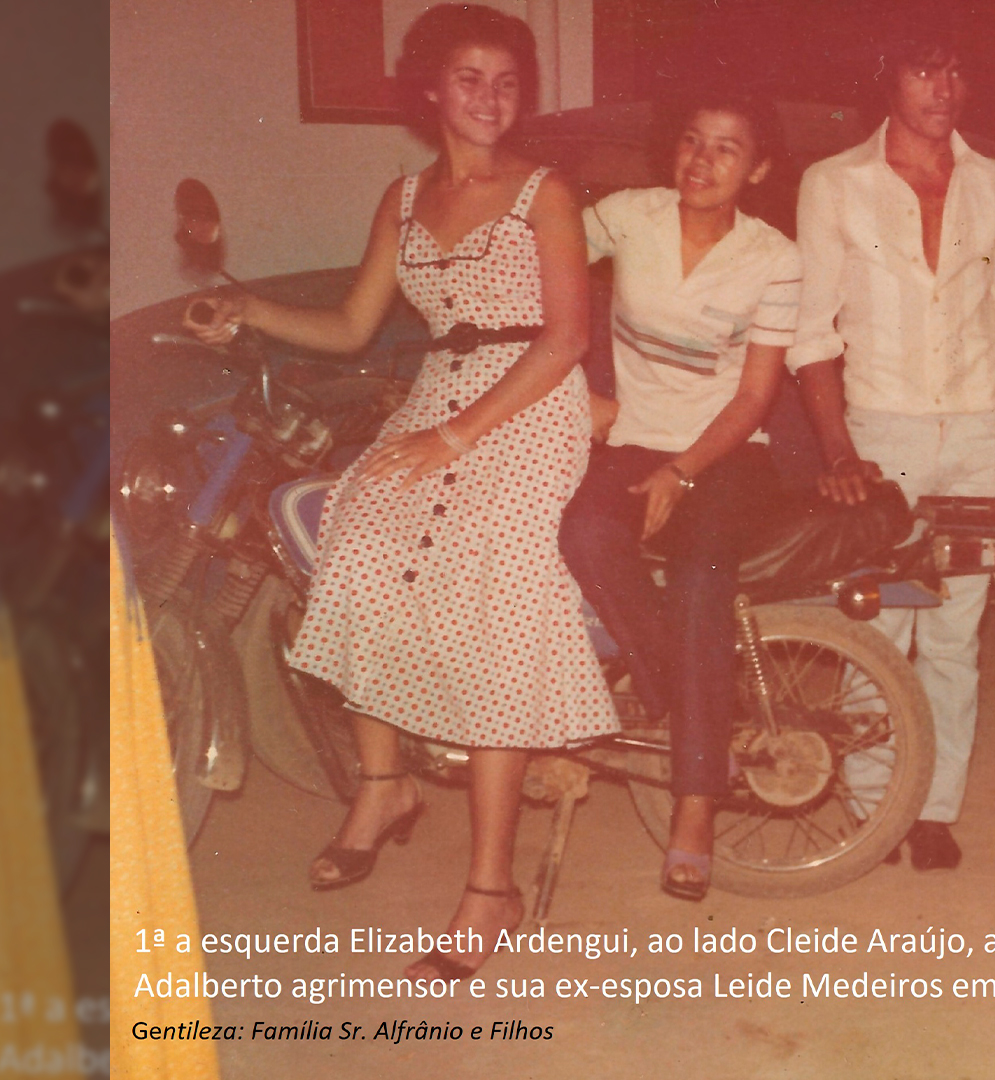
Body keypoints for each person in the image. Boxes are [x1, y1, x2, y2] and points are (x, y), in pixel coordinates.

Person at [183, 4, 613, 981]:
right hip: (433, 397)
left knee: (498, 594)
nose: (490, 98)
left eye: (506, 82)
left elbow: (566, 341)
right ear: (430, 90)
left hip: (529, 405)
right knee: (356, 539)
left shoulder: (545, 193)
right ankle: (383, 785)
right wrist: (245, 306)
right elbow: (351, 326)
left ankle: (492, 887)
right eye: (469, 78)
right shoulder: (404, 196)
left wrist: (456, 435)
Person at [790, 20, 995, 870]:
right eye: (922, 71)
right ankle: (876, 804)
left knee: (953, 629)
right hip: (886, 433)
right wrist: (840, 453)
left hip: (980, 430)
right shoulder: (834, 183)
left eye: (955, 72)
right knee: (879, 623)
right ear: (889, 78)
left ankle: (935, 808)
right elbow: (812, 335)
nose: (942, 90)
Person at [557, 91, 801, 902]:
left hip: (727, 452)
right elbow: (543, 260)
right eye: (693, 140)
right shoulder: (629, 216)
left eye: (728, 147)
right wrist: (575, 386)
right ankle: (691, 701)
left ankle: (695, 805)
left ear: (757, 170)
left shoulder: (774, 258)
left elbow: (755, 396)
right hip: (633, 437)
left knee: (699, 579)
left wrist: (684, 471)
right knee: (585, 536)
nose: (703, 160)